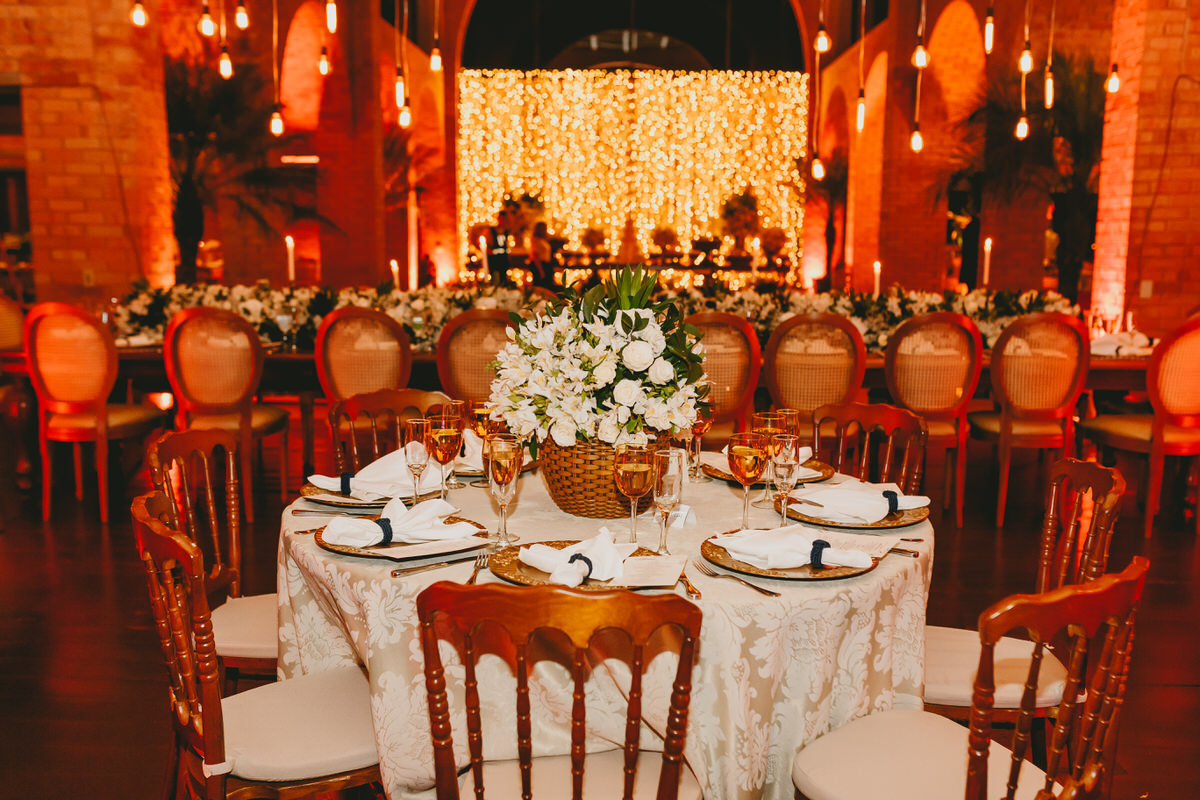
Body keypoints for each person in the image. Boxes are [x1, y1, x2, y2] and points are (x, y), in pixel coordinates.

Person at [527, 221, 555, 289]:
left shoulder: (543, 240)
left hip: (546, 264)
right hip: (540, 264)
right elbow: (535, 255)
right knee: (541, 285)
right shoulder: (536, 240)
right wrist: (541, 270)